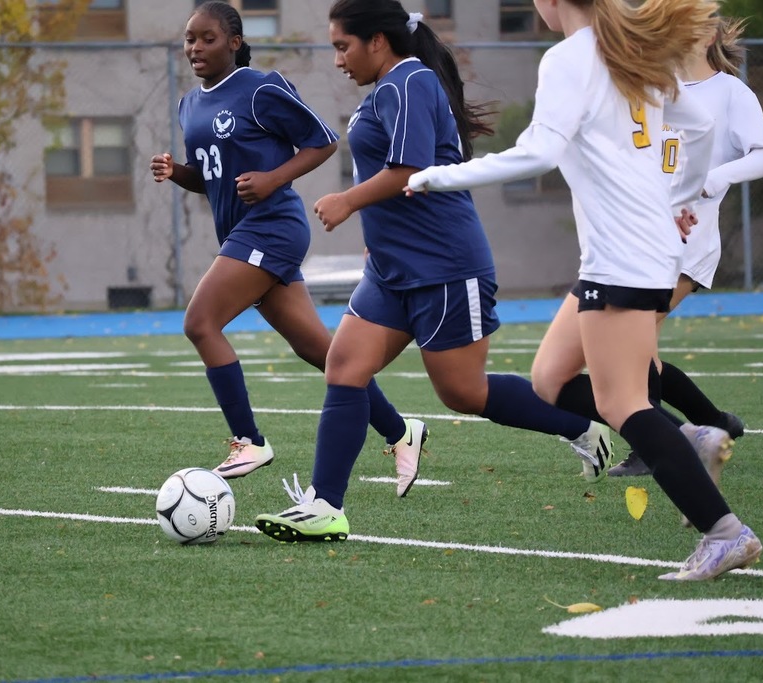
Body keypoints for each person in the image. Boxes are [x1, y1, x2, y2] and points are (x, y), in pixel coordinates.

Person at [405, 0, 762, 580]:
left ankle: (724, 533)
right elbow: (697, 126)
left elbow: (540, 152)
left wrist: (439, 177)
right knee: (549, 381)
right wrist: (679, 197)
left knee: (622, 403)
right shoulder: (627, 50)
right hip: (631, 252)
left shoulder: (572, 57)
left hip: (625, 255)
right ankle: (690, 441)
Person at [254, 0, 612, 545]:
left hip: (445, 267)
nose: (337, 60)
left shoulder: (410, 82)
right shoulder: (387, 90)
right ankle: (326, 506)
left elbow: (410, 170)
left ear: (377, 41)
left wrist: (348, 200)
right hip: (392, 271)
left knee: (463, 394)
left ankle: (583, 428)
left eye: (342, 46)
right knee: (344, 368)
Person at [150, 1, 424, 493]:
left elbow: (322, 141)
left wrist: (273, 178)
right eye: (189, 39)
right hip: (244, 234)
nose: (195, 47)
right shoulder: (189, 104)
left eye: (207, 38)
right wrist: (178, 174)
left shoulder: (260, 87)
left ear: (234, 42)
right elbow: (215, 182)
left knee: (199, 322)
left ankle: (248, 440)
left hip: (272, 228)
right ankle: (402, 431)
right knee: (321, 350)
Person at [604, 15, 763, 476]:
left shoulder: (730, 92)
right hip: (643, 238)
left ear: (708, 35)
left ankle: (655, 446)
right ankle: (712, 422)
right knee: (640, 344)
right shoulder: (653, 86)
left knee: (633, 338)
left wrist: (714, 178)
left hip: (691, 242)